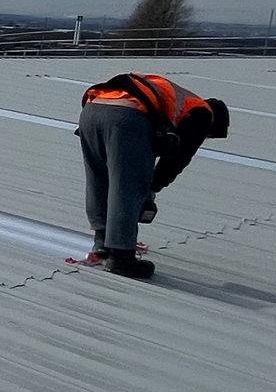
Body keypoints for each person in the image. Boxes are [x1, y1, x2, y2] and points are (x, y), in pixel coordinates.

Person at [78, 73, 230, 278]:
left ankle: (102, 243)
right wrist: (151, 187)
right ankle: (122, 257)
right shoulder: (202, 113)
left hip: (92, 109)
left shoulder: (174, 101)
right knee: (128, 187)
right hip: (126, 115)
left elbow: (161, 143)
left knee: (99, 180)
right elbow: (177, 159)